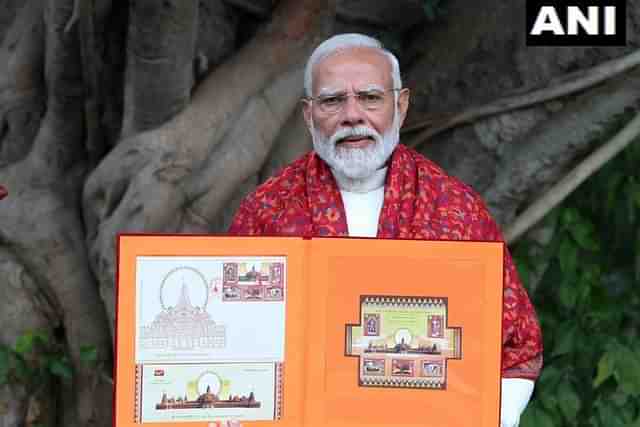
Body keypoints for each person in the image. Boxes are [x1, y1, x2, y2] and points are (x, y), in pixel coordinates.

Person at [228, 33, 543, 427]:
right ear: (309, 115)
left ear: (401, 105)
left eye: (370, 97)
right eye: (332, 100)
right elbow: (235, 339)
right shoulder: (267, 211)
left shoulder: (454, 209)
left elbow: (515, 347)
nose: (352, 115)